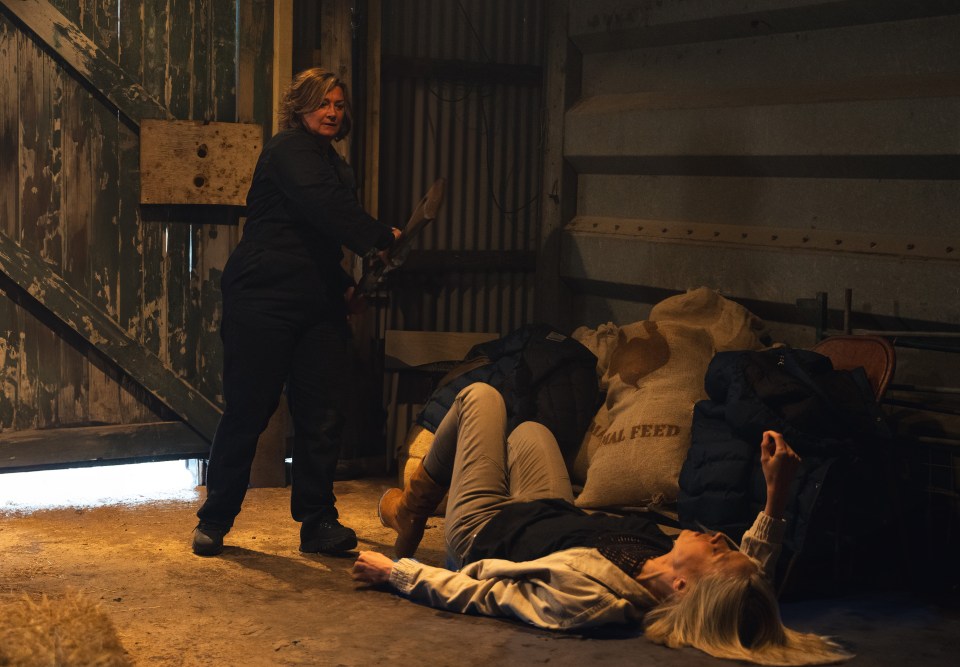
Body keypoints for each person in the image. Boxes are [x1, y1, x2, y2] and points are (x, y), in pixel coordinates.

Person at [352, 383, 852, 665]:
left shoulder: (593, 601)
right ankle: (436, 485)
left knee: (482, 398)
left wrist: (397, 574)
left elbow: (484, 597)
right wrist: (776, 493)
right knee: (530, 432)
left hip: (486, 529)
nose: (721, 538)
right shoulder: (668, 557)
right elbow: (754, 579)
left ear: (682, 587)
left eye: (719, 552)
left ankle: (413, 514)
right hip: (547, 509)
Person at [192, 67, 401, 557]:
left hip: (317, 303)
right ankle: (214, 519)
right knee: (248, 410)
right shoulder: (289, 151)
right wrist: (378, 237)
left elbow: (320, 240)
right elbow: (323, 208)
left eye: (338, 104)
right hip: (263, 299)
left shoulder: (334, 163)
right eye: (321, 103)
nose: (331, 112)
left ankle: (318, 521)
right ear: (300, 108)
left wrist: (347, 285)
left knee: (322, 415)